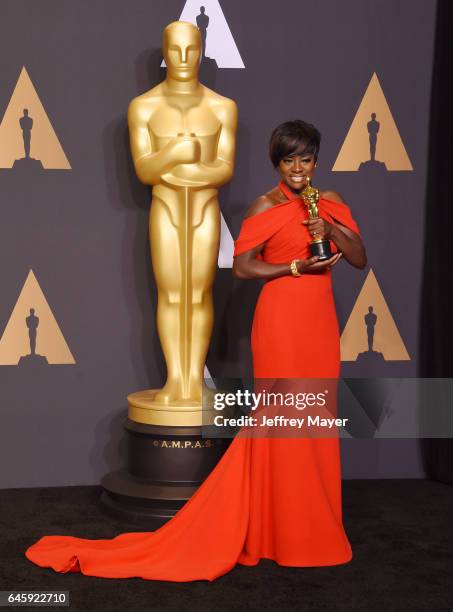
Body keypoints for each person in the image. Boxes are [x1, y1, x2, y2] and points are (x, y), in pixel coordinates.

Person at [24, 120, 366, 581]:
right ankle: (277, 531)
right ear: (277, 163)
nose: (298, 169)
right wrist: (294, 266)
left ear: (317, 161)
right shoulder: (265, 206)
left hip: (320, 324)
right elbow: (243, 268)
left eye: (305, 159)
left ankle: (311, 526)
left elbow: (359, 256)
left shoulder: (333, 203)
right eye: (289, 161)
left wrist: (330, 228)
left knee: (315, 417)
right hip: (281, 322)